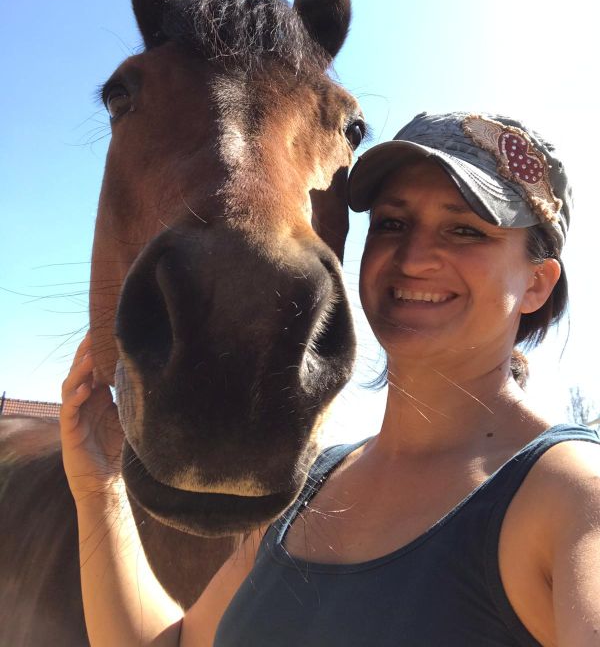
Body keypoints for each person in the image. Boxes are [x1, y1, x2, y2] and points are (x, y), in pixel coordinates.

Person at [61, 111, 600, 646]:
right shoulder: (311, 482)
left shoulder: (574, 494)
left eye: (465, 230)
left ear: (537, 283)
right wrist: (98, 488)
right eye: (392, 224)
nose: (413, 258)